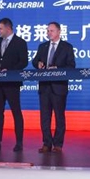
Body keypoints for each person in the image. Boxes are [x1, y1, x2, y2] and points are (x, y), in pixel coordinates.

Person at [32, 21, 76, 153]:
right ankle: (46, 143)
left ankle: (58, 144)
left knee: (59, 116)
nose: (48, 33)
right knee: (45, 117)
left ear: (58, 32)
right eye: (47, 31)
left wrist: (58, 69)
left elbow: (71, 66)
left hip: (59, 87)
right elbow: (34, 61)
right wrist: (38, 63)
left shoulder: (67, 47)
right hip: (44, 87)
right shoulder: (43, 46)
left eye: (51, 31)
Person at [0, 17, 28, 152]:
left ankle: (19, 142)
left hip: (12, 83)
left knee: (16, 112)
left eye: (0, 28)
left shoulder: (20, 42)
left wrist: (10, 70)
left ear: (8, 28)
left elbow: (23, 62)